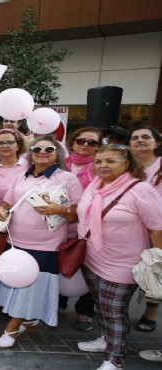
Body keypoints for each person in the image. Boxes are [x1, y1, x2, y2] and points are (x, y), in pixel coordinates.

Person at [76, 144, 162, 370]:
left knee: (114, 310)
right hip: (92, 258)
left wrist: (159, 259)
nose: (103, 165)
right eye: (99, 161)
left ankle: (115, 359)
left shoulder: (140, 190)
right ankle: (105, 339)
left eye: (111, 161)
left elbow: (157, 227)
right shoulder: (94, 186)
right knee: (101, 305)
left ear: (127, 163)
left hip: (124, 262)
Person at [0, 135, 82, 349]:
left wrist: (58, 209)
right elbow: (7, 202)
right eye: (37, 149)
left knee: (32, 285)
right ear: (30, 154)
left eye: (48, 149)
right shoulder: (22, 177)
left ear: (57, 154)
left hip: (45, 244)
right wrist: (1, 210)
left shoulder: (67, 179)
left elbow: (77, 214)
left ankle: (13, 327)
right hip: (15, 241)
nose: (42, 152)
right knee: (16, 281)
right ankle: (28, 317)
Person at [60, 127, 104, 330]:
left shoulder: (99, 167)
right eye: (81, 141)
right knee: (61, 261)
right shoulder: (62, 163)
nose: (85, 145)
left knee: (88, 266)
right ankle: (59, 303)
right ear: (72, 142)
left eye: (92, 142)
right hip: (60, 222)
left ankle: (85, 311)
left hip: (86, 226)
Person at [0, 129, 28, 314]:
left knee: (20, 262)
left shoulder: (30, 166)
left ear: (19, 145)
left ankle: (19, 300)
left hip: (26, 224)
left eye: (10, 142)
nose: (5, 146)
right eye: (0, 143)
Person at [129, 125, 162, 334]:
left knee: (154, 267)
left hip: (157, 228)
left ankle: (151, 312)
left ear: (157, 142)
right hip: (130, 228)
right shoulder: (126, 167)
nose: (140, 140)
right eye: (135, 138)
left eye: (145, 137)